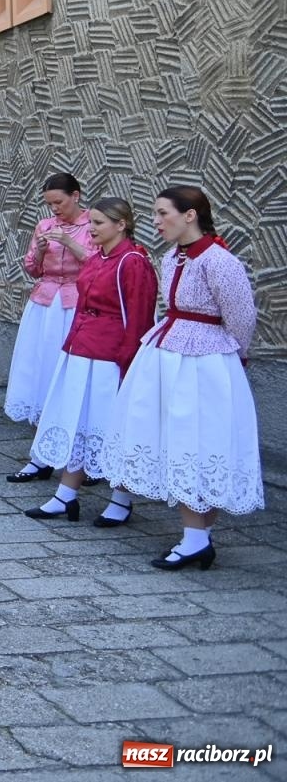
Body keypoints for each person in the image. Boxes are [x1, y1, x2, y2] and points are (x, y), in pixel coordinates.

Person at [101, 186, 261, 570]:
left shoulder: (220, 262)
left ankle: (196, 538)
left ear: (190, 215)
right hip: (167, 354)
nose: (155, 221)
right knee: (172, 437)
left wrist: (231, 359)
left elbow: (242, 318)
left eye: (162, 213)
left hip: (203, 362)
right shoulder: (173, 256)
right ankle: (196, 538)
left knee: (198, 440)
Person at [22, 198, 156, 525]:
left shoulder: (133, 261)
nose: (91, 228)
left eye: (99, 223)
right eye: (92, 222)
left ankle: (121, 500)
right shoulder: (98, 258)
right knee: (77, 422)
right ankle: (66, 495)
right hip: (83, 347)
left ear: (121, 224)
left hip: (111, 355)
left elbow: (139, 315)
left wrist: (129, 360)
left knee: (111, 426)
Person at [5, 173, 96, 481]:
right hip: (44, 303)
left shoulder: (92, 225)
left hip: (74, 304)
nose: (54, 209)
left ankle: (77, 457)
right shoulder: (44, 225)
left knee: (68, 376)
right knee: (39, 370)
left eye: (59, 202)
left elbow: (99, 267)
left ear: (76, 196)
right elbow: (32, 268)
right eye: (49, 203)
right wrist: (42, 250)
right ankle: (40, 455)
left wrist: (70, 243)